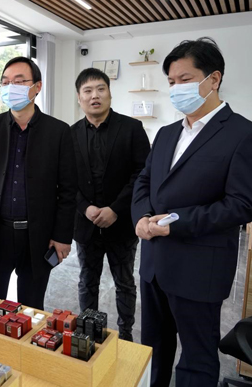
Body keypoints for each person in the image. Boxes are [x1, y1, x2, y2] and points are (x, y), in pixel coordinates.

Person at [131, 37, 252, 386]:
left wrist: (174, 224)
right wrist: (142, 217)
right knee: (154, 349)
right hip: (154, 264)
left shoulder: (244, 135)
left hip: (198, 268)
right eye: (171, 82)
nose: (176, 88)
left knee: (196, 357)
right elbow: (144, 181)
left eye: (185, 79)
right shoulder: (166, 134)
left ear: (214, 79)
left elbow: (243, 205)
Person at [0, 57, 77, 310]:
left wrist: (62, 236)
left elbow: (68, 190)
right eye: (5, 82)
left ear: (37, 86)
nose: (10, 88)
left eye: (18, 81)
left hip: (38, 236)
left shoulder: (58, 132)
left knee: (32, 307)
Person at [71, 68, 150, 342]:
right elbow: (66, 179)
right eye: (88, 91)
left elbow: (142, 174)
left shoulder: (132, 129)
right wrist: (85, 208)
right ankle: (89, 334)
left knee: (125, 282)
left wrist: (116, 208)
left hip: (122, 223)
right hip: (86, 224)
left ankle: (126, 334)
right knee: (87, 280)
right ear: (79, 98)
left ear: (109, 93)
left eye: (100, 89)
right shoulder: (70, 134)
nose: (95, 95)